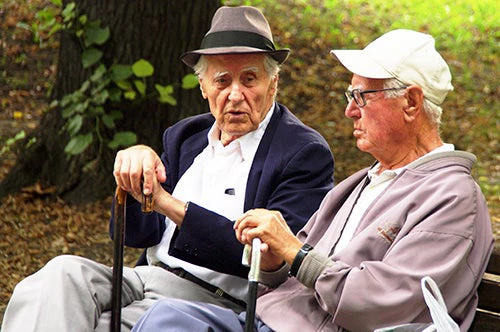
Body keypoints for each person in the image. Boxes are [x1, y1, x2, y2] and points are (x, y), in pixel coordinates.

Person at [129, 29, 494, 332]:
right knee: (166, 317)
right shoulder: (364, 182)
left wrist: (294, 252)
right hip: (266, 320)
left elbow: (378, 304)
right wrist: (274, 260)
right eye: (351, 96)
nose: (350, 110)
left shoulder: (452, 197)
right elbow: (289, 271)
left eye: (362, 96)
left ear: (412, 103)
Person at [1, 6, 335, 332]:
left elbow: (271, 258)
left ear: (272, 84)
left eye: (249, 79)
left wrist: (167, 203)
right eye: (222, 80)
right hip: (146, 278)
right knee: (57, 277)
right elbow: (134, 235)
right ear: (203, 86)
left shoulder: (301, 152)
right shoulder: (186, 136)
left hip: (217, 301)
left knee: (93, 324)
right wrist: (134, 182)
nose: (235, 95)